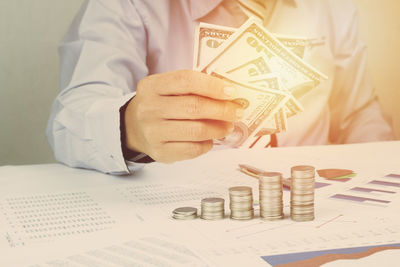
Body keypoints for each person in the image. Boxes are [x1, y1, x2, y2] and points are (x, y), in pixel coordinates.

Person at [46, 0, 394, 175]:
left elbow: (358, 112)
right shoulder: (129, 5)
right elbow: (70, 118)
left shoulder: (334, 6)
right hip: (190, 213)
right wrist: (128, 126)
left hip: (313, 204)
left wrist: (386, 167)